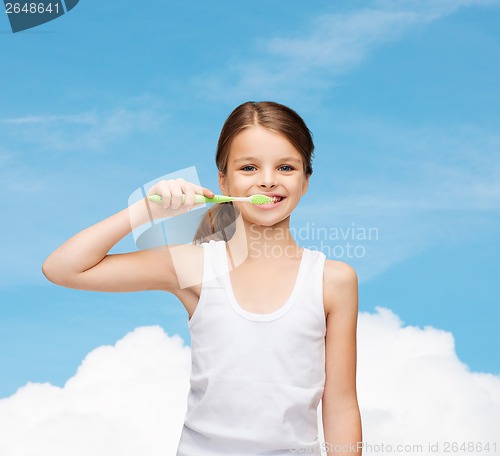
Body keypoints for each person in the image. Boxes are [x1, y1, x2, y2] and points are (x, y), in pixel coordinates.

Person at [42, 101, 362, 455]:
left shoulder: (332, 281)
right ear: (223, 180)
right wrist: (146, 211)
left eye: (286, 167)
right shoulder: (194, 267)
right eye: (249, 167)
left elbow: (342, 404)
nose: (268, 179)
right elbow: (63, 268)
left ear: (306, 181)